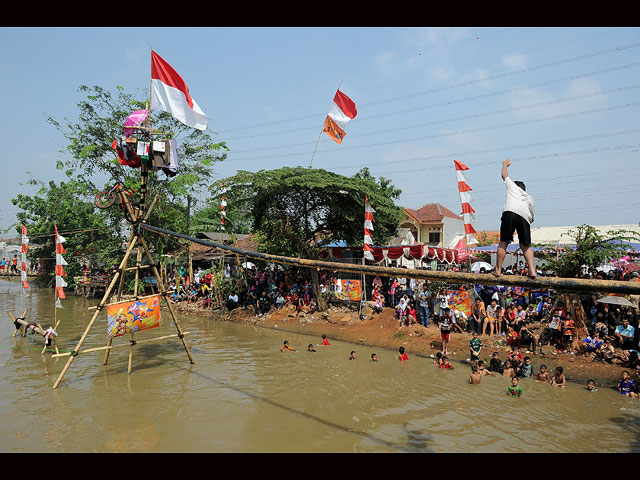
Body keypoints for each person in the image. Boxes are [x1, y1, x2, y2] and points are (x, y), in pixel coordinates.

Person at [494, 159, 536, 278]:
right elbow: (531, 218)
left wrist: (504, 164)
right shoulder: (530, 198)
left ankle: (498, 270)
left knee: (504, 241)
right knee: (525, 245)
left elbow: (504, 175)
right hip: (525, 217)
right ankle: (532, 270)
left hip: (510, 212)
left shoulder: (513, 186)